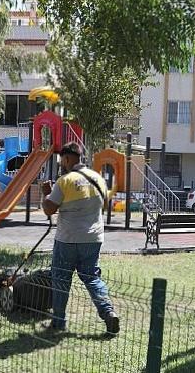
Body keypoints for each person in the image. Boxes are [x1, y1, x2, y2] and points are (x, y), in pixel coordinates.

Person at [41, 142, 120, 335]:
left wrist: (46, 194)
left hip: (67, 239)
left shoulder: (65, 181)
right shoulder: (99, 179)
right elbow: (104, 206)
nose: (62, 164)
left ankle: (58, 322)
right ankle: (108, 312)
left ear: (67, 159)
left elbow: (49, 209)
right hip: (93, 238)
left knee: (60, 278)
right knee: (92, 278)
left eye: (62, 160)